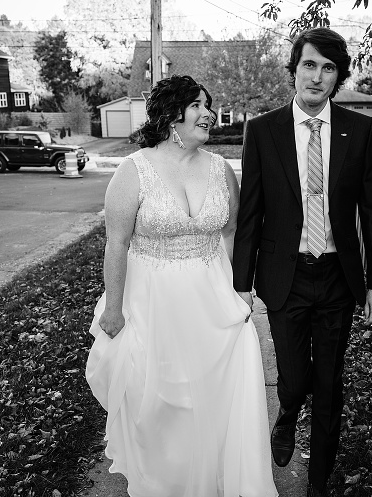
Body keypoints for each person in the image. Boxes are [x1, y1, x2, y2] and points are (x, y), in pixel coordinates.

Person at [85, 75, 278, 497]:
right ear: (172, 115)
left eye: (208, 104)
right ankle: (166, 482)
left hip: (213, 298)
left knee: (216, 397)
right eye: (197, 105)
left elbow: (231, 232)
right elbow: (116, 242)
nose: (207, 113)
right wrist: (113, 309)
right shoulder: (133, 171)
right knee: (159, 401)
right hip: (153, 300)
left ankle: (212, 479)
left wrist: (239, 291)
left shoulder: (221, 169)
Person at [232, 28, 372, 497]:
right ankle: (286, 413)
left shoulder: (358, 130)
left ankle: (318, 479)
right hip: (286, 276)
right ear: (294, 70)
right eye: (309, 65)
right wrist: (241, 282)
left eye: (328, 68)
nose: (317, 77)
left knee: (329, 384)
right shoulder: (263, 131)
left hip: (339, 278)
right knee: (296, 379)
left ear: (337, 77)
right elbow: (251, 213)